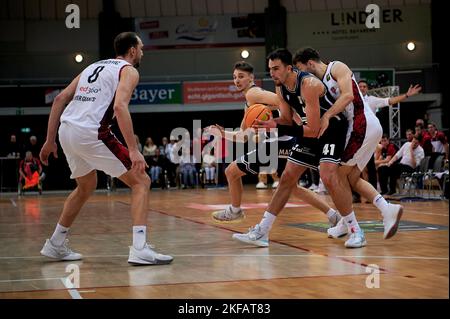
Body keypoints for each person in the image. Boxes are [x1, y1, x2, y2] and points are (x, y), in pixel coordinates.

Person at [39, 32, 173, 265]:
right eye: (140, 48)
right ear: (132, 50)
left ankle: (56, 243)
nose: (142, 52)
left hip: (67, 131)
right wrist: (133, 149)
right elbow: (120, 107)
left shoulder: (93, 66)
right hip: (92, 133)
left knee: (86, 186)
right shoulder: (129, 70)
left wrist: (49, 140)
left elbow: (60, 98)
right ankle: (140, 248)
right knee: (141, 181)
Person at [209, 60, 341, 227]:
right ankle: (334, 216)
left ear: (251, 78)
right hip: (281, 142)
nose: (237, 80)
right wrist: (222, 134)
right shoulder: (249, 102)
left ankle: (235, 211)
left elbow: (283, 100)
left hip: (278, 143)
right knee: (292, 187)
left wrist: (295, 122)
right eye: (234, 77)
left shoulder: (253, 93)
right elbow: (243, 136)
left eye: (241, 77)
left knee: (231, 172)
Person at [293, 47, 403, 247]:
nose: (304, 76)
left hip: (362, 125)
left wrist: (326, 116)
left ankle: (353, 227)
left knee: (334, 176)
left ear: (309, 63)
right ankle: (386, 209)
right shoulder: (317, 86)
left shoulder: (336, 67)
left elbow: (348, 96)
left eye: (303, 70)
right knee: (350, 177)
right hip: (361, 129)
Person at [358, 80, 422, 114]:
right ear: (356, 88)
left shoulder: (372, 99)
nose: (362, 88)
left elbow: (389, 101)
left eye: (364, 86)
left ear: (367, 89)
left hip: (369, 131)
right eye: (360, 87)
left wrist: (406, 95)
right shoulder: (351, 99)